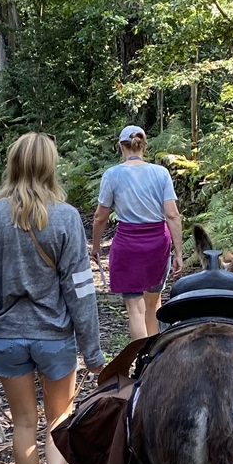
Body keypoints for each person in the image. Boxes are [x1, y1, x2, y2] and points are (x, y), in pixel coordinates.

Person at [0, 132, 105, 464]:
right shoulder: (66, 217)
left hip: (7, 338)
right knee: (59, 418)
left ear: (13, 164)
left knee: (24, 422)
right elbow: (80, 290)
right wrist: (93, 351)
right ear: (50, 166)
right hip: (55, 337)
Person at [90, 125, 184, 341]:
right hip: (158, 244)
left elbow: (100, 217)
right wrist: (178, 252)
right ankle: (156, 355)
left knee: (135, 309)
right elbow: (172, 215)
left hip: (128, 244)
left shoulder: (112, 175)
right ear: (144, 146)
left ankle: (140, 356)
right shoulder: (161, 173)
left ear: (121, 147)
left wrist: (96, 247)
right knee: (154, 302)